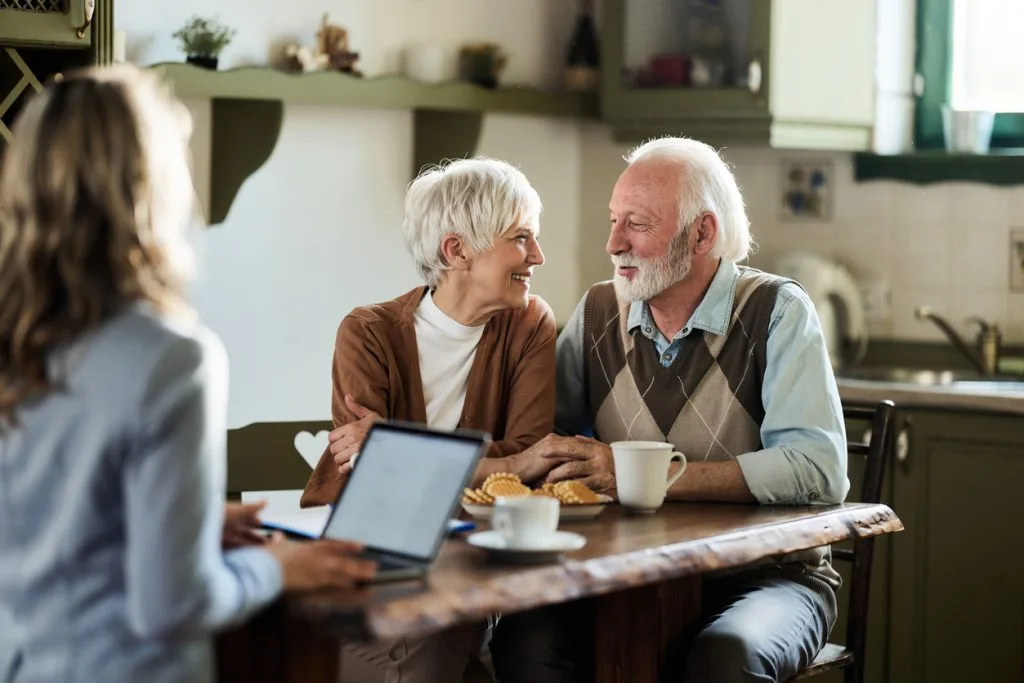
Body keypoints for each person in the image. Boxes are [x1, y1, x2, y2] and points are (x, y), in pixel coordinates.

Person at [0, 65, 376, 683]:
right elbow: (173, 605)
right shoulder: (171, 360)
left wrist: (186, 522)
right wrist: (280, 567)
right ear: (152, 187)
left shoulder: (17, 341)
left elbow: (45, 525)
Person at [491, 137, 850, 683]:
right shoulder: (597, 312)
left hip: (769, 579)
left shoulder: (777, 311)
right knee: (524, 641)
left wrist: (646, 478)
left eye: (636, 224)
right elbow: (544, 442)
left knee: (724, 659)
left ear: (702, 232)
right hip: (624, 576)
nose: (613, 243)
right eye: (613, 220)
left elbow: (819, 470)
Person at [299, 157, 565, 683]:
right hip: (368, 558)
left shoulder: (530, 324)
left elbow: (531, 461)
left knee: (438, 634)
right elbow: (373, 475)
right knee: (424, 639)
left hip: (470, 557)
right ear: (456, 250)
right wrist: (501, 462)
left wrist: (401, 445)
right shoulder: (368, 332)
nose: (538, 256)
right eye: (521, 238)